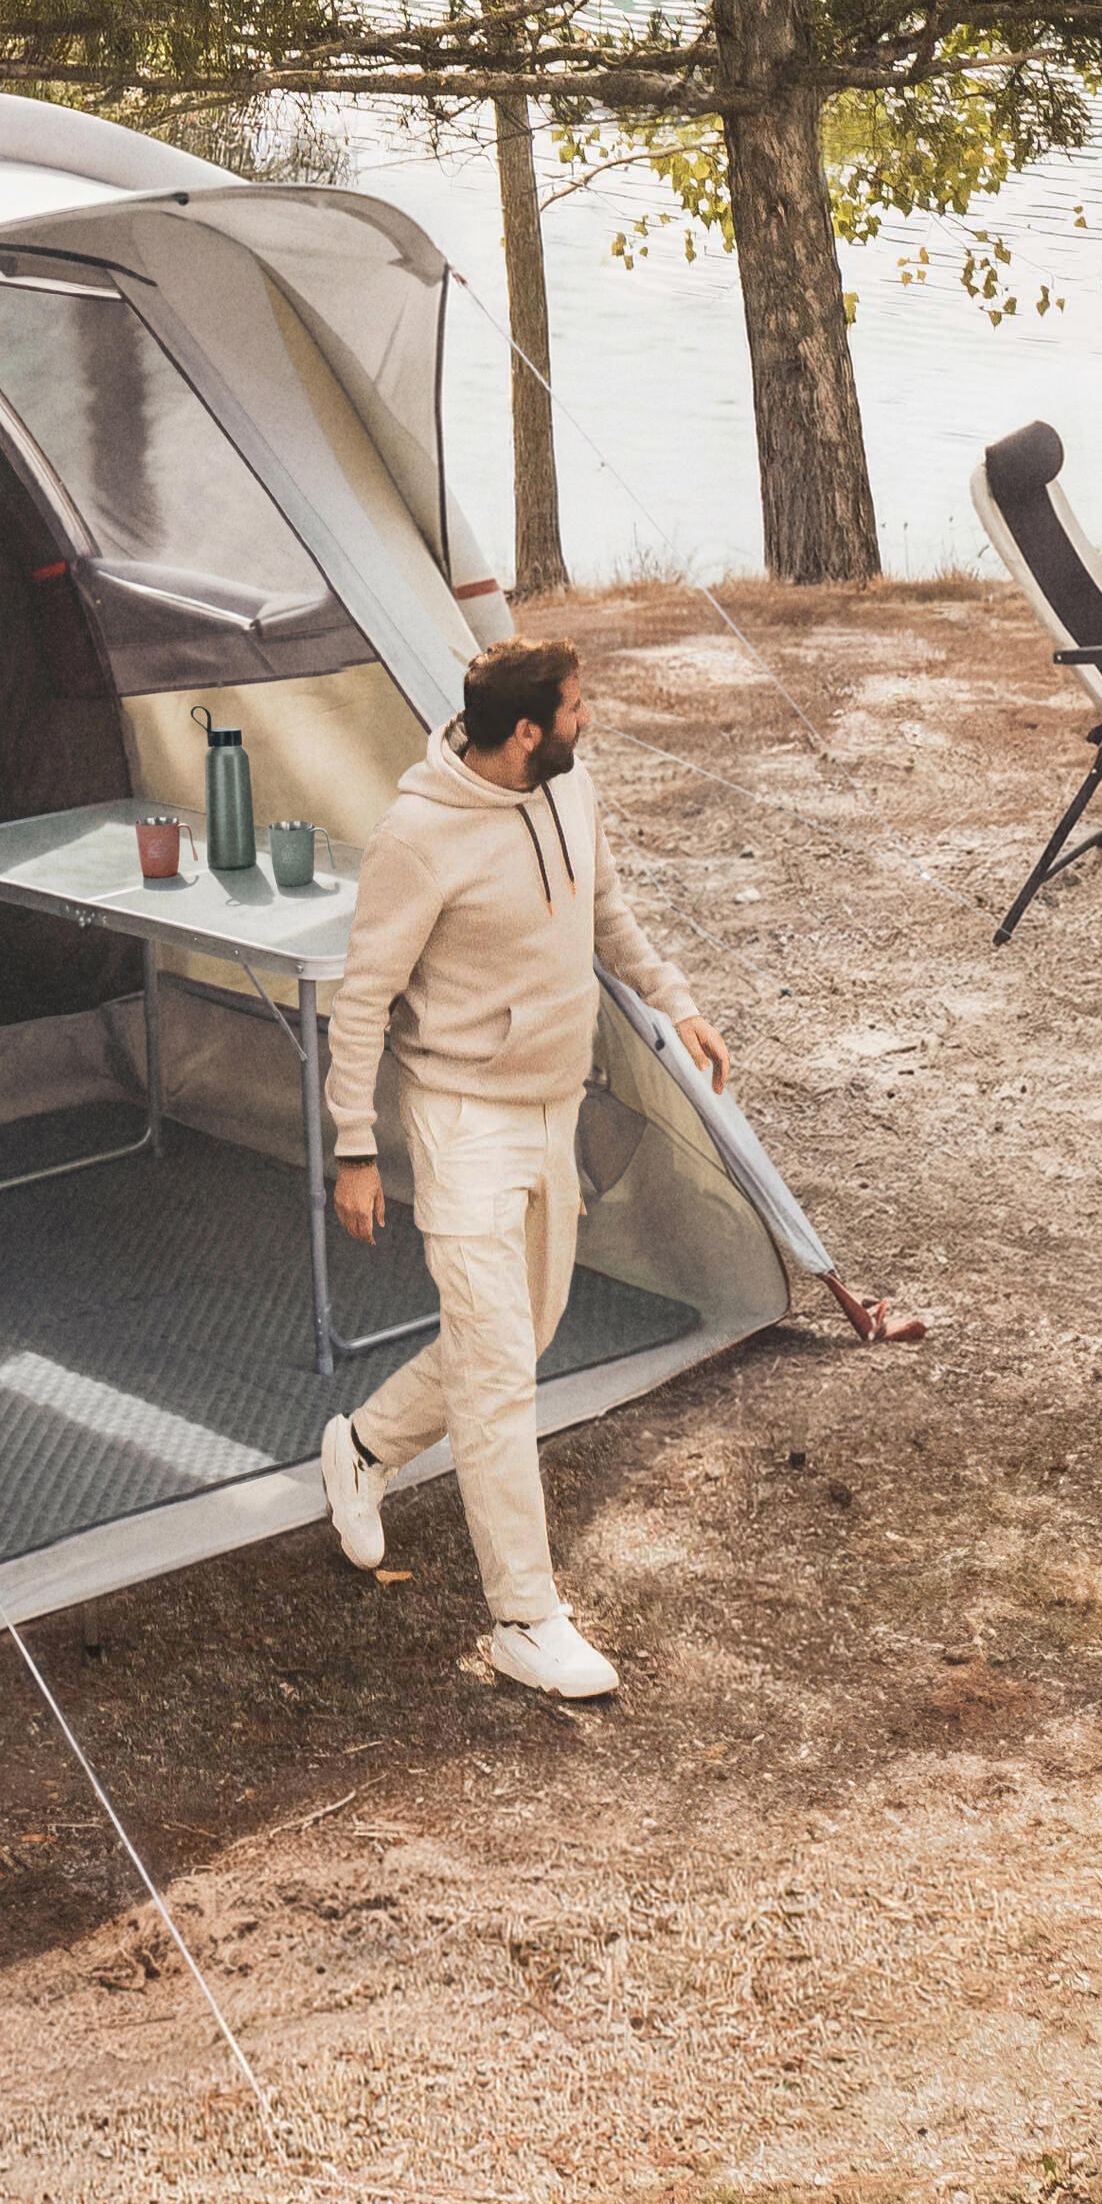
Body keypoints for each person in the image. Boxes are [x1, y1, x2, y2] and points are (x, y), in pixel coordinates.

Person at [319, 635, 716, 1708]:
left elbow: (606, 912)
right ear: (528, 729)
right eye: (578, 707)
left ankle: (363, 1447)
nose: (592, 720)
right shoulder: (417, 836)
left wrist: (675, 1001)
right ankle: (524, 1620)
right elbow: (363, 998)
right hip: (461, 1119)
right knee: (499, 1374)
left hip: (553, 1102)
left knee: (523, 1332)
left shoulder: (570, 790)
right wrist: (353, 1146)